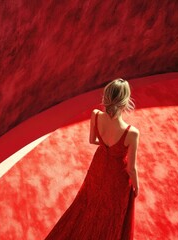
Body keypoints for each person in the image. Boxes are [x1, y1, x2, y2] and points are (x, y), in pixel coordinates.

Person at [45, 78, 140, 240]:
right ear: (125, 103)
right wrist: (136, 187)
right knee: (111, 214)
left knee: (90, 202)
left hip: (98, 165)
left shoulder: (95, 115)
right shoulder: (131, 133)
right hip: (117, 177)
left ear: (107, 97)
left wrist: (106, 146)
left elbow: (92, 140)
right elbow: (131, 168)